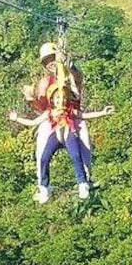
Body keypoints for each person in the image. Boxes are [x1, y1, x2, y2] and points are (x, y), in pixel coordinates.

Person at [10, 74, 115, 203]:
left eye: (64, 97)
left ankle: (82, 182)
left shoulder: (70, 111)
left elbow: (85, 115)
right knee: (44, 158)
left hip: (68, 132)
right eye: (58, 97)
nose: (61, 100)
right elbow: (34, 122)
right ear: (53, 99)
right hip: (56, 134)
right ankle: (44, 186)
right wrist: (17, 119)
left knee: (76, 155)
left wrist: (103, 112)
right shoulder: (49, 112)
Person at [22, 42, 94, 182]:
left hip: (73, 115)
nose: (51, 63)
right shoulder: (45, 82)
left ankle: (86, 177)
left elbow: (78, 78)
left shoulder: (70, 77)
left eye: (52, 58)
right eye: (46, 61)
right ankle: (42, 182)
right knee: (42, 144)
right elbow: (42, 107)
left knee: (84, 143)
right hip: (53, 117)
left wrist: (67, 63)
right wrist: (31, 99)